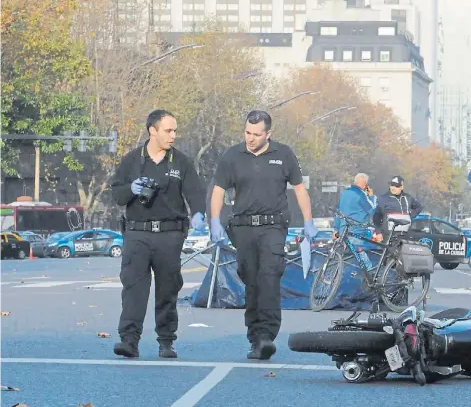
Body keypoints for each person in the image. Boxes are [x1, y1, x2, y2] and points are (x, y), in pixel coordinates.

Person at [209, 110, 316, 360]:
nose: (251, 138)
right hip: (243, 228)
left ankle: (267, 336)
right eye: (247, 132)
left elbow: (300, 190)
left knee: (269, 278)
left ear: (269, 133)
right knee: (251, 281)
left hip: (273, 227)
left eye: (257, 134)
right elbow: (218, 190)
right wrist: (214, 220)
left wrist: (309, 221)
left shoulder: (284, 154)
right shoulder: (232, 156)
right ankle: (255, 336)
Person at [110, 109, 207, 358]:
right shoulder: (131, 160)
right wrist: (132, 188)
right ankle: (129, 341)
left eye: (175, 130)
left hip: (169, 235)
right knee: (133, 290)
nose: (173, 135)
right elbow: (117, 194)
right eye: (168, 130)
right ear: (152, 130)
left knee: (168, 289)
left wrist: (198, 214)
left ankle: (166, 341)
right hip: (137, 234)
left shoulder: (181, 162)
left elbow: (195, 192)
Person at [333, 173, 378, 269]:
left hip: (343, 230)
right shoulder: (361, 195)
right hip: (357, 230)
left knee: (347, 257)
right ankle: (370, 272)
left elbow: (338, 212)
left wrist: (336, 228)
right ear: (365, 184)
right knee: (359, 251)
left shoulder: (344, 193)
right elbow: (372, 210)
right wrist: (372, 196)